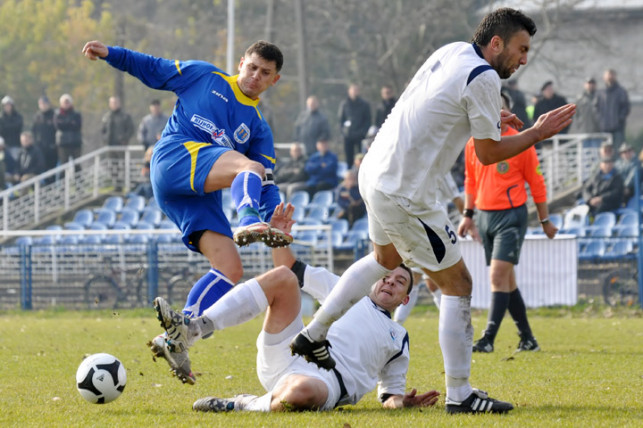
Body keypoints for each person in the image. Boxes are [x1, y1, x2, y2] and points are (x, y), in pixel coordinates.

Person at [289, 7, 575, 415]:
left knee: (384, 259)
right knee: (458, 283)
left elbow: (433, 102)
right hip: (406, 191)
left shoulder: (453, 51)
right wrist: (536, 132)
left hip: (375, 171)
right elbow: (488, 152)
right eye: (521, 49)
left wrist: (491, 114)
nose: (524, 59)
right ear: (496, 43)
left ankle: (313, 334)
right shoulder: (485, 77)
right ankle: (460, 394)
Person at [82, 39, 292, 383]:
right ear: (241, 63)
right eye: (252, 67)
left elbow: (266, 183)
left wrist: (274, 216)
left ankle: (178, 337)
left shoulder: (258, 129)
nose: (255, 76)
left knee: (230, 267)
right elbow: (154, 67)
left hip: (197, 191)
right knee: (248, 168)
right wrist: (113, 55)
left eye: (265, 73)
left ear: (274, 81)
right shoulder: (205, 75)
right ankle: (247, 220)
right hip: (174, 158)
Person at [152, 203, 440, 412]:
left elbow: (389, 395)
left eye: (400, 281)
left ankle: (243, 404)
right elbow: (289, 266)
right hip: (287, 349)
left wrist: (404, 402)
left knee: (300, 394)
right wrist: (279, 236)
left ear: (405, 298)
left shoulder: (398, 337)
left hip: (323, 380)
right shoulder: (346, 287)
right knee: (283, 278)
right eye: (385, 275)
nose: (389, 282)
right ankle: (193, 329)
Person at [459, 93, 557, 354]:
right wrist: (468, 215)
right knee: (507, 281)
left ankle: (488, 338)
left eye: (500, 107)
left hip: (511, 216)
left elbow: (537, 183)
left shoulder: (521, 142)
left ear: (509, 111)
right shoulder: (473, 142)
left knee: (497, 275)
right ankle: (528, 338)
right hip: (484, 215)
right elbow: (470, 179)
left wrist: (545, 220)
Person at [596, 69, 630, 148]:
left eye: (612, 75)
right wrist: (600, 120)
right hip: (603, 128)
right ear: (604, 77)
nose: (610, 77)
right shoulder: (600, 93)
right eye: (608, 75)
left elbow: (625, 108)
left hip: (617, 128)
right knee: (604, 149)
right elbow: (595, 108)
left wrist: (619, 119)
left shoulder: (621, 92)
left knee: (618, 149)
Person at [338, 84, 371, 166]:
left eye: (356, 90)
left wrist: (363, 132)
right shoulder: (344, 104)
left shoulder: (364, 105)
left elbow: (368, 120)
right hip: (348, 136)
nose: (354, 92)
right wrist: (344, 132)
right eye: (352, 90)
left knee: (361, 158)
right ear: (349, 91)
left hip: (360, 136)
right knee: (349, 159)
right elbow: (341, 120)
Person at [53, 94, 83, 164]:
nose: (66, 104)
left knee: (77, 165)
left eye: (67, 102)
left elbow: (77, 126)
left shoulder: (76, 114)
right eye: (64, 102)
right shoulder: (57, 114)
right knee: (63, 164)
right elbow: (59, 126)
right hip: (63, 144)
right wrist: (70, 123)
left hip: (75, 143)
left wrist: (65, 123)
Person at [31, 96, 58, 173]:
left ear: (48, 104)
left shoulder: (54, 115)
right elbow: (34, 131)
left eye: (45, 103)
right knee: (41, 168)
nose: (43, 105)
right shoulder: (37, 116)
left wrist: (54, 144)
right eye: (41, 104)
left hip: (52, 148)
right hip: (40, 148)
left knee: (51, 169)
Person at [0, 96, 24, 163]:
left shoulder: (18, 116)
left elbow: (18, 127)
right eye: (5, 105)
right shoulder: (1, 117)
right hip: (4, 145)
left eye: (9, 105)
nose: (7, 107)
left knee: (16, 161)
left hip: (15, 144)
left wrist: (6, 127)